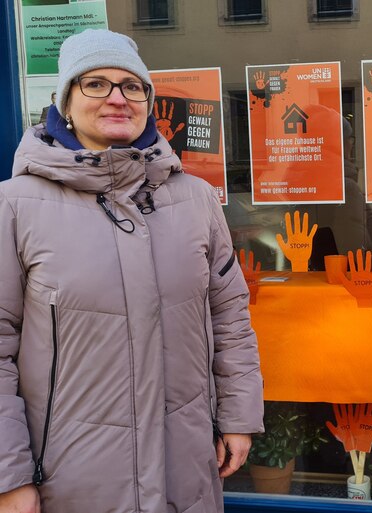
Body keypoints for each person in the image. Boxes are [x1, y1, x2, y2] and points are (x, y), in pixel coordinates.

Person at [0, 29, 264, 513]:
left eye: (132, 86)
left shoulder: (195, 199)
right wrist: (8, 475)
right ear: (65, 101)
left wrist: (238, 416)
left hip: (185, 469)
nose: (117, 98)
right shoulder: (14, 207)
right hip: (70, 479)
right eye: (96, 84)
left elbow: (229, 317)